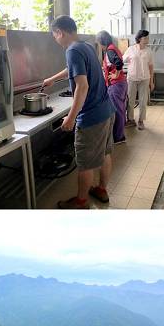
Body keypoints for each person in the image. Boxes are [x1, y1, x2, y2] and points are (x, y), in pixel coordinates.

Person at [43, 16, 115, 209]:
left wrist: (71, 118)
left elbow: (81, 87)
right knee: (105, 152)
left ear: (60, 32)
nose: (55, 39)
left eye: (54, 35)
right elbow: (72, 69)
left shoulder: (71, 50)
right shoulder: (85, 46)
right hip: (107, 110)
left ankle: (81, 202)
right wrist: (52, 78)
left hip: (91, 117)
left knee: (85, 163)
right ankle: (101, 189)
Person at [97, 30, 128, 144]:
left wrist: (116, 74)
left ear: (101, 41)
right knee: (120, 109)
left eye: (98, 43)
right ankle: (120, 135)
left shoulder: (110, 50)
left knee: (117, 111)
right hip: (120, 84)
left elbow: (119, 62)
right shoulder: (113, 47)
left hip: (116, 85)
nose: (99, 45)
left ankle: (119, 137)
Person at [124, 29, 155, 130]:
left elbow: (151, 66)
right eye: (145, 37)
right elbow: (122, 59)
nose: (147, 39)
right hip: (132, 78)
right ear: (140, 38)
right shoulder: (131, 49)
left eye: (147, 37)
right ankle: (130, 119)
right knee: (130, 100)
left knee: (143, 101)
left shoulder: (149, 51)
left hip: (144, 78)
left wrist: (151, 81)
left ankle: (141, 121)